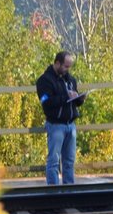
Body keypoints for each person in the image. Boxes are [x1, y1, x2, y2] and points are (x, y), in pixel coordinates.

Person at [36, 51, 86, 185]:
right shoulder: (44, 80)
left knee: (69, 161)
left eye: (69, 67)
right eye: (65, 66)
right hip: (55, 124)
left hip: (71, 124)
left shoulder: (70, 80)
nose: (67, 70)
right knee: (54, 160)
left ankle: (69, 190)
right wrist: (66, 97)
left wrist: (79, 99)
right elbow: (46, 102)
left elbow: (74, 103)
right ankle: (53, 191)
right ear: (57, 63)